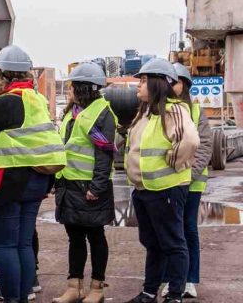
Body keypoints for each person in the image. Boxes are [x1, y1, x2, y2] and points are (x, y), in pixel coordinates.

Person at [0, 45, 67, 303]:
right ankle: (24, 294)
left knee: (5, 246)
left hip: (7, 184)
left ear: (1, 75)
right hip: (36, 182)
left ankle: (13, 298)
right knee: (22, 244)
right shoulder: (37, 101)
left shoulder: (3, 103)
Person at [124, 58, 199, 303]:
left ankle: (174, 294)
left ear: (157, 84)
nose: (138, 86)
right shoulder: (145, 113)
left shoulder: (174, 110)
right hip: (144, 190)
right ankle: (149, 292)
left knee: (173, 244)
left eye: (143, 81)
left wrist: (174, 161)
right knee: (152, 243)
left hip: (166, 190)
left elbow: (190, 141)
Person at [52, 63, 117, 303]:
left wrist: (96, 187)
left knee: (96, 237)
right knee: (75, 238)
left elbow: (104, 153)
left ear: (83, 88)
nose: (68, 90)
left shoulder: (100, 114)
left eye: (72, 86)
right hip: (69, 186)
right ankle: (74, 286)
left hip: (88, 189)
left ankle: (97, 288)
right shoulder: (74, 111)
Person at [158, 63, 212, 300]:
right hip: (168, 182)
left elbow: (205, 146)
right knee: (169, 232)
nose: (173, 86)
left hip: (191, 182)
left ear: (186, 85)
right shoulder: (160, 111)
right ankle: (170, 278)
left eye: (177, 82)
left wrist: (188, 175)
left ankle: (190, 280)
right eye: (169, 82)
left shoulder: (196, 111)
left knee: (188, 229)